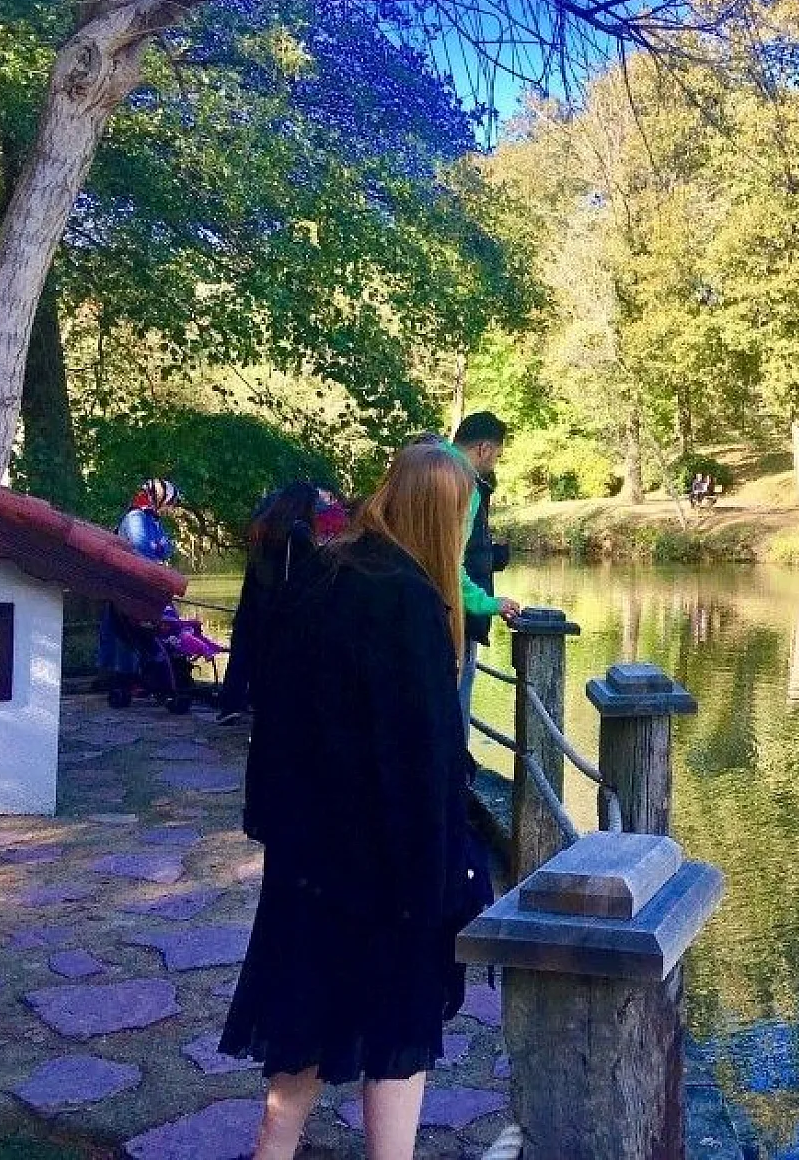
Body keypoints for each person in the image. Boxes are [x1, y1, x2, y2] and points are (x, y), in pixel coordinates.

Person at [220, 444, 493, 1160]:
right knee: (400, 1028)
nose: (468, 532)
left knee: (305, 1014)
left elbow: (271, 711)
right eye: (466, 516)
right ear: (444, 517)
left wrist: (282, 825)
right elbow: (424, 756)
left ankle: (270, 1154)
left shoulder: (323, 570)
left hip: (311, 851)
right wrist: (447, 873)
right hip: (385, 860)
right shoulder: (409, 600)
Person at [216, 482, 348, 726]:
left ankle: (231, 703)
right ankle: (270, 706)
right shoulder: (299, 533)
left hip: (253, 600)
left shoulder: (261, 529)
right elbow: (308, 571)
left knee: (243, 653)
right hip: (280, 604)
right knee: (276, 658)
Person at [445, 413, 520, 729]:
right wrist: (490, 604)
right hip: (452, 614)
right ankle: (456, 775)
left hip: (410, 605)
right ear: (484, 448)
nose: (494, 465)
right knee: (455, 700)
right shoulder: (464, 484)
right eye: (497, 456)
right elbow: (449, 561)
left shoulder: (424, 466)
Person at [98, 478, 180, 701]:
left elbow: (165, 548)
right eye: (170, 501)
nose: (170, 507)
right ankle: (129, 682)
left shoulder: (151, 519)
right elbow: (143, 550)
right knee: (131, 637)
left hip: (149, 588)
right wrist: (157, 552)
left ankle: (156, 679)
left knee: (158, 632)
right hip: (131, 589)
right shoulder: (135, 518)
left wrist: (158, 551)